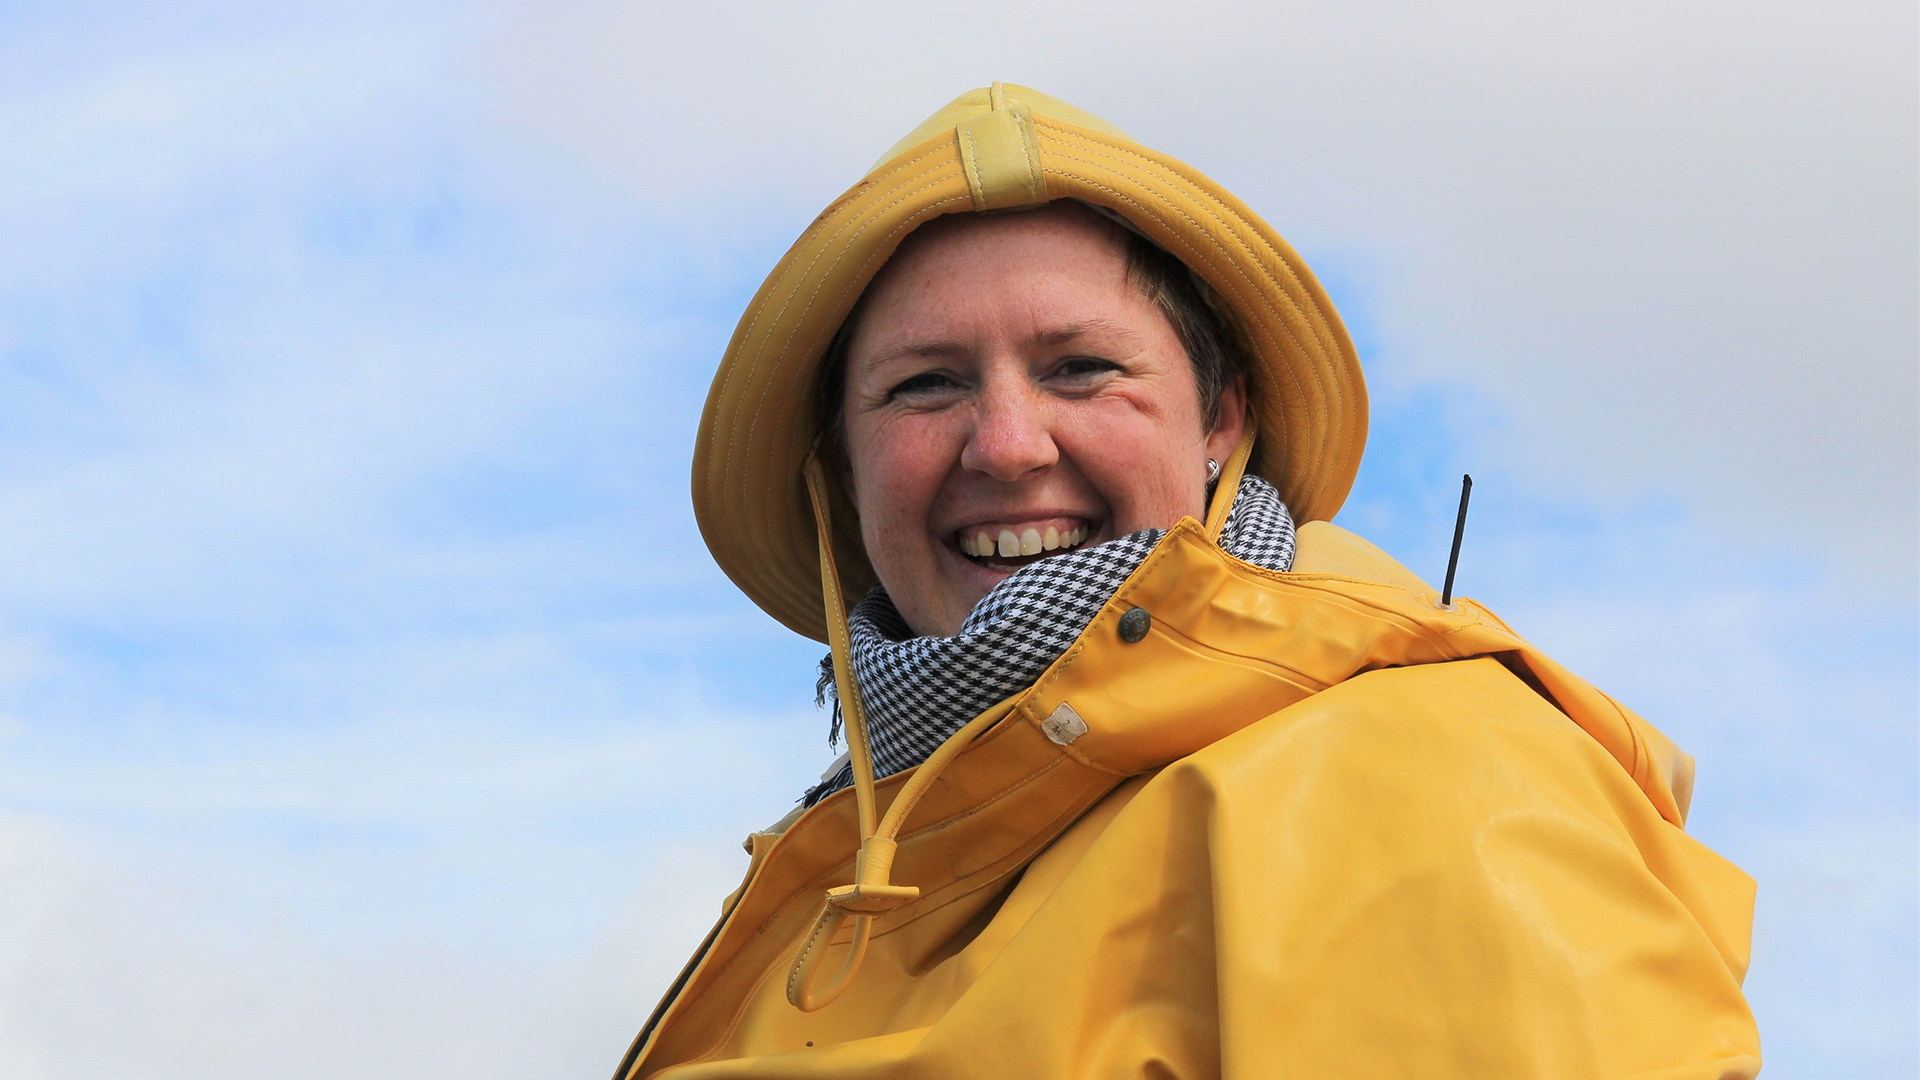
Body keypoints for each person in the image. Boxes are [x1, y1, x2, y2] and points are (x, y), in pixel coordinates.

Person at [614, 83, 1760, 1079]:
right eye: (925, 386)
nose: (1006, 444)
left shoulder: (1428, 769)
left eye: (1080, 368)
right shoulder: (817, 890)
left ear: (1222, 417)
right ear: (845, 471)